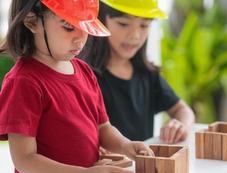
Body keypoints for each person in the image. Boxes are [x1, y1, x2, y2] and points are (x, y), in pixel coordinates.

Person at [0, 0, 154, 173]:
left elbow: (103, 128)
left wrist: (124, 145)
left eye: (85, 26)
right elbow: (25, 160)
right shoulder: (23, 82)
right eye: (68, 27)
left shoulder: (84, 71)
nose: (81, 37)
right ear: (31, 22)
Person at [79, 0, 195, 143]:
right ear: (100, 20)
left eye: (144, 25)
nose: (135, 35)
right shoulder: (83, 76)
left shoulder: (147, 74)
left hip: (143, 164)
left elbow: (183, 110)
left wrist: (180, 124)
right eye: (123, 24)